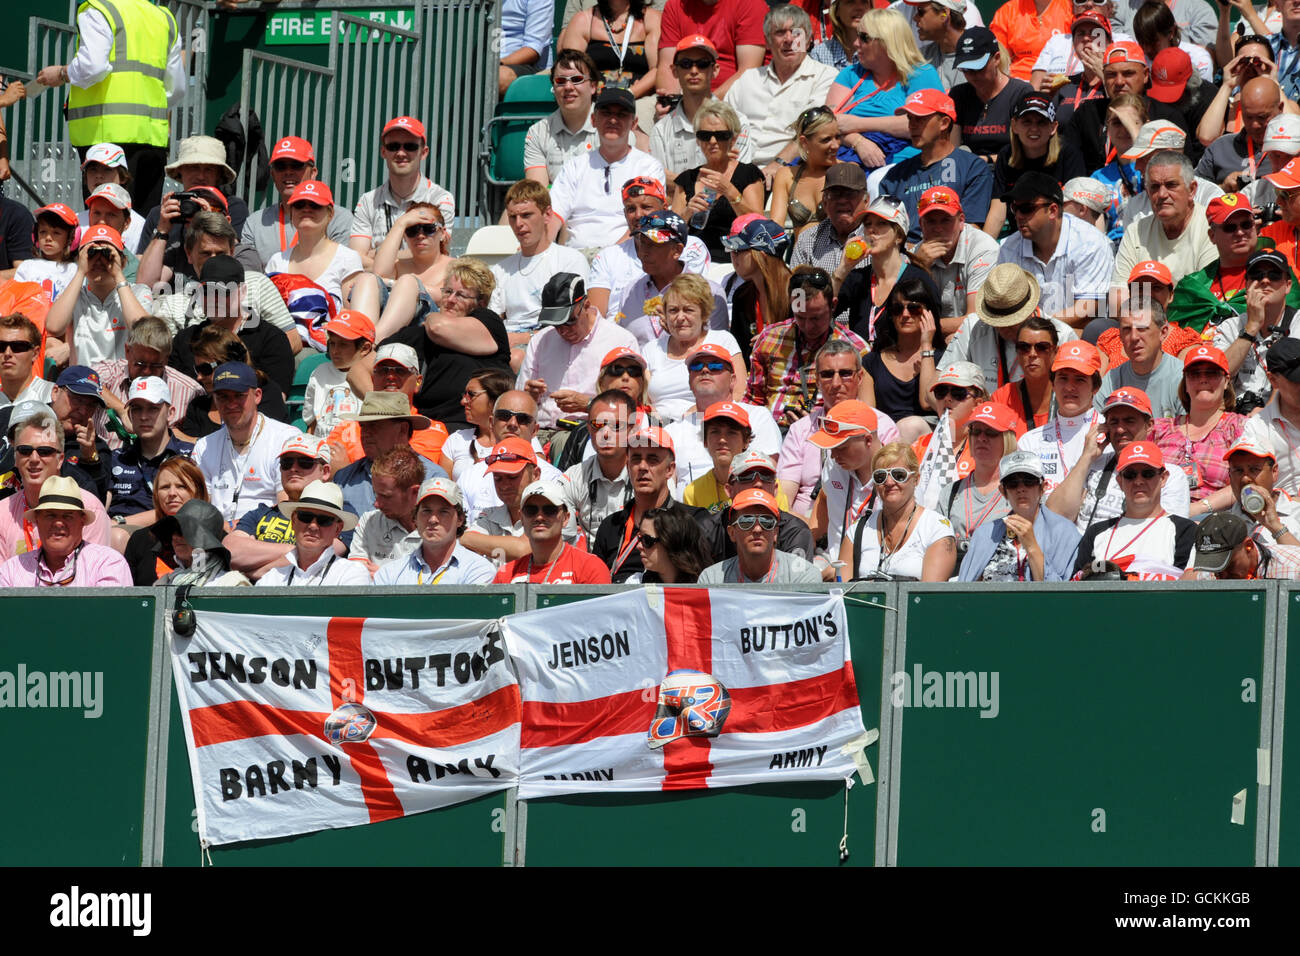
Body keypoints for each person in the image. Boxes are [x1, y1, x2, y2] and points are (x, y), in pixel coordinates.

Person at [35, 0, 185, 212]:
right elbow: (177, 87)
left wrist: (61, 73)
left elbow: (93, 66)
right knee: (142, 228)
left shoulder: (98, 9)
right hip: (153, 140)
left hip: (106, 141)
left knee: (105, 225)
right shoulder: (164, 18)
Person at [371, 260, 513, 430]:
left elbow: (438, 327)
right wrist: (384, 408)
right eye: (447, 292)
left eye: (461, 295)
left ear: (480, 302)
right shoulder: (417, 335)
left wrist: (430, 317)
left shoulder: (489, 322)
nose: (450, 300)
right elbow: (361, 363)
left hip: (473, 427)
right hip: (422, 427)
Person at [778, 340, 901, 518]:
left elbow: (889, 488)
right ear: (818, 380)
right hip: (805, 526)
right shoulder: (800, 429)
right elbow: (783, 499)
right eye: (827, 374)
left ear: (859, 378)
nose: (836, 383)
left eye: (845, 374)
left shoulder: (881, 425)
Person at [1048, 384, 1191, 532]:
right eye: (1114, 422)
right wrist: (1086, 457)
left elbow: (1168, 533)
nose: (1120, 429)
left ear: (1149, 426)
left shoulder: (1168, 474)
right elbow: (1054, 519)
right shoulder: (1091, 463)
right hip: (1083, 551)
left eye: (1129, 421)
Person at [148, 213, 297, 352]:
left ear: (232, 252)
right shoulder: (174, 303)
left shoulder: (257, 284)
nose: (213, 259)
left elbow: (293, 341)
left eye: (220, 253)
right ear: (189, 254)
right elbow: (164, 356)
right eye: (205, 253)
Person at [724, 5, 838, 177]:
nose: (788, 39)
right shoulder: (748, 79)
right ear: (768, 42)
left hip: (789, 172)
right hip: (737, 169)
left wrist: (777, 163)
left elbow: (812, 131)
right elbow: (722, 122)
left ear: (808, 41)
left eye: (796, 32)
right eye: (780, 33)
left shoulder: (825, 77)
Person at [746, 265, 868, 424]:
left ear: (833, 306)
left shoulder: (856, 349)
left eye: (816, 318)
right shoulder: (769, 338)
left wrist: (816, 422)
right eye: (800, 317)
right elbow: (753, 398)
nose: (808, 326)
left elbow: (860, 409)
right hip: (767, 431)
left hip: (824, 432)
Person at [518, 272, 639, 432]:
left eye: (570, 321)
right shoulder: (541, 340)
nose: (563, 330)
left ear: (586, 305)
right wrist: (530, 397)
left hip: (592, 433)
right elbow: (518, 400)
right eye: (555, 324)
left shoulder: (620, 340)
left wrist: (588, 404)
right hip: (539, 431)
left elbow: (630, 406)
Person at [550, 87, 667, 252]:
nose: (613, 120)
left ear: (634, 123)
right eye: (606, 113)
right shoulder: (574, 166)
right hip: (576, 256)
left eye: (621, 115)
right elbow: (554, 216)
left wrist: (610, 257)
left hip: (629, 254)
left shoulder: (648, 167)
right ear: (593, 120)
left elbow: (648, 220)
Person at [826, 8, 945, 169]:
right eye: (857, 36)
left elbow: (924, 125)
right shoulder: (850, 74)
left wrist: (857, 123)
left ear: (887, 42)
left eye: (864, 38)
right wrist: (858, 142)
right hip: (847, 162)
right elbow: (827, 125)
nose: (855, 43)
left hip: (905, 167)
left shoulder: (920, 74)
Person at [165, 253, 296, 400]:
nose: (214, 298)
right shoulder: (184, 341)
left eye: (222, 291)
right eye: (206, 290)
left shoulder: (271, 340)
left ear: (243, 292)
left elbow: (274, 401)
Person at [191, 361, 304, 526]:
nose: (231, 404)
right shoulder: (204, 447)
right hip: (216, 535)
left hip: (267, 534)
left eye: (239, 395)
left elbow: (287, 507)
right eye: (223, 397)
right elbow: (199, 507)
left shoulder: (285, 438)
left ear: (257, 395)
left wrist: (241, 528)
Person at [1167, 194, 1298, 335]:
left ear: (1255, 227)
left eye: (1246, 224)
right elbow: (1173, 338)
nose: (1240, 232)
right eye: (1230, 227)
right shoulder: (1192, 287)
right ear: (1212, 236)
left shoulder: (1278, 275)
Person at [587, 176, 711, 321]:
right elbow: (595, 319)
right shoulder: (608, 257)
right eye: (631, 209)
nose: (638, 215)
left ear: (665, 208)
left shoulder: (692, 246)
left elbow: (694, 301)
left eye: (646, 207)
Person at [593, 425, 708, 580]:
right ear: (627, 467)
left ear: (670, 469)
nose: (642, 467)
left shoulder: (694, 520)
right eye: (636, 459)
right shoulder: (611, 526)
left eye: (652, 459)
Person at [879, 90, 994, 245]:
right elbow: (883, 232)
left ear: (944, 123)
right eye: (910, 118)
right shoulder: (895, 175)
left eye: (919, 119)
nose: (912, 125)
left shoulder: (973, 167)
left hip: (953, 259)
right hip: (903, 260)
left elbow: (970, 230)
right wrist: (913, 254)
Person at [944, 263, 1078, 394]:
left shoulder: (1063, 335)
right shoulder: (972, 326)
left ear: (1029, 309)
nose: (1003, 327)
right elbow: (933, 393)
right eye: (996, 320)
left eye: (1011, 320)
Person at [489, 180, 590, 351]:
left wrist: (522, 338)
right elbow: (492, 320)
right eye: (513, 217)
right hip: (507, 343)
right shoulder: (500, 269)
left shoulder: (570, 260)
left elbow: (575, 317)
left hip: (554, 341)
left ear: (547, 215)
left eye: (526, 215)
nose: (519, 224)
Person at [649, 35, 757, 196]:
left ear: (715, 70)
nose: (694, 71)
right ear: (674, 71)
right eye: (686, 64)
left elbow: (740, 180)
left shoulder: (738, 122)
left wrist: (679, 181)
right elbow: (659, 182)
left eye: (702, 64)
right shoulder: (661, 129)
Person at [264, 181, 364, 353]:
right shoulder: (277, 261)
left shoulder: (347, 258)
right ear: (291, 212)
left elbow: (351, 316)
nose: (306, 209)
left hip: (328, 351)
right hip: (280, 347)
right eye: (299, 204)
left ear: (330, 213)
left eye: (315, 205)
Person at [1149, 344, 1247, 517]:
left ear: (1226, 381)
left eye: (1212, 373)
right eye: (1195, 374)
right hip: (1156, 517)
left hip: (1214, 520)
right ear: (1185, 383)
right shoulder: (1159, 428)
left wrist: (1196, 509)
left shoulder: (1238, 427)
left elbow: (1246, 483)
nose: (1203, 379)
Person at [223, 433, 337, 581]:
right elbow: (230, 551)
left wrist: (253, 567)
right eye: (286, 463)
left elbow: (321, 557)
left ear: (325, 471)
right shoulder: (260, 513)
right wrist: (298, 551)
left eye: (305, 462)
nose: (293, 468)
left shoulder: (334, 515)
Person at [665, 341, 783, 484]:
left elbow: (766, 476)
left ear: (733, 380)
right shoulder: (672, 431)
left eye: (715, 366)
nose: (705, 370)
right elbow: (666, 487)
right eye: (697, 366)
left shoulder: (757, 417)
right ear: (690, 381)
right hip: (688, 503)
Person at [0, 403, 111, 555]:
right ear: (15, 455)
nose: (34, 458)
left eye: (44, 451)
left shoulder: (89, 508)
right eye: (25, 450)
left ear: (60, 459)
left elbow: (94, 572)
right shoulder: (3, 511)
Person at [1074, 440, 1198, 576]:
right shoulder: (1096, 532)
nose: (1138, 481)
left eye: (1148, 474)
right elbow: (1078, 586)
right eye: (1130, 475)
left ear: (1163, 478)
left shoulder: (1185, 530)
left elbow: (1185, 589)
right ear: (1120, 481)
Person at [349, 116, 456, 272]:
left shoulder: (440, 198)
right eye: (393, 146)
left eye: (410, 146)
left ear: (424, 152)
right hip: (378, 283)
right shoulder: (368, 200)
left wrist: (379, 254)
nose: (401, 153)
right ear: (383, 151)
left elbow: (435, 253)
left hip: (424, 285)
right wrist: (406, 259)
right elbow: (356, 258)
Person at [837, 441, 957, 580]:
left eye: (899, 475)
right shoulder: (858, 530)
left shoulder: (936, 528)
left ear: (916, 479)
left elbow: (929, 595)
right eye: (880, 476)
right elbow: (842, 593)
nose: (889, 482)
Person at [958, 448, 1081, 580]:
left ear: (1043, 487)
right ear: (1003, 491)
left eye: (1029, 481)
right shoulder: (985, 534)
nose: (1021, 489)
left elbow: (1061, 594)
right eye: (1012, 483)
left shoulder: (1064, 532)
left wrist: (1032, 547)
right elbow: (965, 588)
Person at [835, 197, 940, 346]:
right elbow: (820, 314)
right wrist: (842, 269)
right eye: (868, 224)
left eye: (882, 223)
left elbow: (932, 336)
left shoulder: (919, 281)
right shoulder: (857, 278)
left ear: (898, 236)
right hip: (861, 365)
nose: (872, 230)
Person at [615, 211, 728, 346]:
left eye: (652, 245)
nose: (643, 252)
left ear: (677, 250)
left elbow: (719, 348)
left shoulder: (710, 293)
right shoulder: (630, 292)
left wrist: (678, 338)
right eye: (642, 243)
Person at [1111, 150, 1216, 294]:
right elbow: (1118, 294)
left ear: (1191, 190)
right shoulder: (1136, 231)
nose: (1162, 194)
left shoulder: (1213, 228)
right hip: (1140, 314)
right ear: (1147, 192)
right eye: (1154, 187)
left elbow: (1205, 298)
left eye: (1171, 185)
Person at [983, 92, 1087, 238]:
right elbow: (998, 211)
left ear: (1053, 127)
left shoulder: (1069, 154)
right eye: (1027, 121)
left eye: (1041, 122)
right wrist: (983, 252)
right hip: (1019, 235)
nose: (1034, 129)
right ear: (1014, 125)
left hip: (1058, 235)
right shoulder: (1006, 155)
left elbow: (1076, 210)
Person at [44, 224, 150, 367]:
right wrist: (81, 271)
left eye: (107, 254)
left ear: (123, 261)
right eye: (92, 254)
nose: (99, 261)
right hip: (81, 383)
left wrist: (118, 274)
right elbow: (53, 326)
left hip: (121, 383)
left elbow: (144, 332)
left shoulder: (139, 292)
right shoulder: (74, 296)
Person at [670, 101, 765, 258]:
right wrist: (688, 212)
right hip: (693, 261)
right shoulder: (687, 179)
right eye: (705, 136)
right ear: (698, 140)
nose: (713, 141)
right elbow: (671, 233)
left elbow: (759, 226)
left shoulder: (748, 174)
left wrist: (730, 192)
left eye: (721, 136)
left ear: (733, 139)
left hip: (735, 261)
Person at [643, 273, 743, 421]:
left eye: (688, 310)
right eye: (673, 310)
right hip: (659, 427)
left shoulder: (722, 340)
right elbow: (644, 399)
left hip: (710, 422)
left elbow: (739, 392)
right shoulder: (652, 349)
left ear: (703, 314)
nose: (680, 317)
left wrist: (701, 411)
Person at [0, 475, 130, 586]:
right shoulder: (11, 569)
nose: (58, 523)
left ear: (82, 521)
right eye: (50, 515)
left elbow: (110, 614)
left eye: (68, 516)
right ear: (37, 520)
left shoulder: (107, 564)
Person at [332, 391, 446, 519]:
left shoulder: (433, 478)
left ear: (403, 429)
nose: (365, 433)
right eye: (362, 426)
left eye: (374, 425)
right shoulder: (344, 477)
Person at [908, 187, 1001, 343]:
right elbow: (904, 311)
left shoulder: (983, 247)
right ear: (921, 225)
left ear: (961, 221)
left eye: (946, 220)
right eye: (931, 221)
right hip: (931, 337)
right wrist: (919, 268)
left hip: (979, 336)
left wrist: (919, 326)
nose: (938, 228)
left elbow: (976, 318)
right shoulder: (918, 253)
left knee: (953, 340)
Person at [354, 203, 455, 345]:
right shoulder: (398, 265)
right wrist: (400, 224)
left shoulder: (455, 267)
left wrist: (394, 283)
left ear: (442, 233)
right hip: (388, 326)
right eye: (412, 230)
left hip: (423, 330)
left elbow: (442, 295)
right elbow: (379, 273)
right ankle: (359, 338)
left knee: (408, 282)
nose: (420, 235)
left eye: (428, 229)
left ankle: (370, 342)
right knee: (366, 278)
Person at [457, 391, 566, 522]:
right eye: (504, 416)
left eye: (523, 419)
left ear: (535, 430)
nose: (513, 423)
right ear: (491, 423)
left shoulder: (554, 479)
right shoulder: (469, 477)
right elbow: (461, 533)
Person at [137, 135, 251, 259]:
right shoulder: (160, 213)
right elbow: (141, 269)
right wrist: (162, 231)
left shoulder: (231, 207)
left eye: (209, 169)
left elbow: (235, 257)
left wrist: (211, 224)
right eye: (194, 168)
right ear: (180, 170)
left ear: (219, 174)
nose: (201, 176)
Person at [242, 136, 353, 262]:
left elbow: (339, 267)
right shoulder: (255, 223)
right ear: (272, 174)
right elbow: (249, 273)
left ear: (313, 173)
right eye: (280, 166)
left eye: (296, 165)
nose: (288, 172)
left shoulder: (338, 218)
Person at [861, 277, 943, 442]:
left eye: (914, 308)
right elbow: (868, 415)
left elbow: (927, 402)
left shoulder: (943, 358)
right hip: (885, 439)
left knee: (909, 426)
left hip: (927, 440)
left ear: (929, 314)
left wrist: (926, 346)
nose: (905, 314)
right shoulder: (871, 361)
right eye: (898, 308)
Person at [372, 477, 497, 585]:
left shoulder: (478, 569)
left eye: (443, 512)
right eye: (426, 511)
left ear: (460, 519)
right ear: (415, 518)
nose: (433, 519)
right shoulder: (389, 573)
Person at [1018, 338, 1103, 495]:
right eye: (1063, 378)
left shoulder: (1111, 435)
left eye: (1080, 379)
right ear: (1053, 384)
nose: (1070, 387)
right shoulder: (1030, 441)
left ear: (1095, 387)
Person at [106, 375, 193, 526]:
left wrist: (120, 522)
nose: (144, 417)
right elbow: (100, 509)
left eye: (153, 408)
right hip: (116, 539)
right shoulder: (115, 459)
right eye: (137, 409)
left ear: (171, 413)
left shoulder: (191, 456)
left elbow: (193, 508)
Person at [935, 400, 1019, 552]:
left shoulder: (1022, 490)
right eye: (975, 431)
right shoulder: (950, 492)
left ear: (1007, 439)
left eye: (991, 432)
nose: (981, 438)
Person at [697, 447, 813, 557]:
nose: (758, 483)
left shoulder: (794, 531)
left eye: (766, 477)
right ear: (729, 490)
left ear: (775, 489)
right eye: (746, 476)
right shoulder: (706, 530)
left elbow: (796, 578)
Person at [493, 479, 613, 583]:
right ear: (522, 518)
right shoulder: (506, 574)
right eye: (531, 510)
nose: (539, 517)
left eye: (549, 510)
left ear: (565, 518)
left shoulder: (590, 568)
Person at [255, 480, 371, 586]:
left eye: (324, 520)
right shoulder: (272, 577)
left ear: (338, 529)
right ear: (294, 521)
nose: (313, 526)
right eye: (306, 517)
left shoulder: (352, 573)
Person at [697, 487, 820, 583]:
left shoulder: (803, 575)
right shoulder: (711, 579)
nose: (757, 529)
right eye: (746, 521)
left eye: (766, 522)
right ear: (732, 533)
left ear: (775, 532)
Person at [950, 27, 1033, 164]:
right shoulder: (959, 95)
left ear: (997, 58)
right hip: (971, 173)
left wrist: (985, 160)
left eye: (978, 68)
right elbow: (953, 150)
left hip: (1010, 170)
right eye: (965, 69)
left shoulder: (1021, 93)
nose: (972, 75)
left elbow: (1028, 150)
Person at [524, 51, 604, 188]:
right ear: (554, 89)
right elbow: (538, 195)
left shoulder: (613, 128)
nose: (568, 87)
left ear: (593, 87)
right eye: (560, 81)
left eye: (577, 79)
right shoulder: (538, 132)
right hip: (554, 207)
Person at [656, 0, 768, 97]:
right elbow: (667, 67)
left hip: (733, 100)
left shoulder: (750, 4)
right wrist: (671, 103)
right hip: (685, 100)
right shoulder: (675, 6)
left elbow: (748, 73)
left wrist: (706, 106)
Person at [563, 389, 635, 539]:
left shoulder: (650, 476)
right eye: (597, 424)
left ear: (631, 429)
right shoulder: (574, 477)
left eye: (616, 425)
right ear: (589, 428)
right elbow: (561, 537)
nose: (606, 433)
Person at [1095, 302, 1183, 417]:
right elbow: (1097, 426)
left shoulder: (1182, 378)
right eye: (1127, 329)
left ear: (1163, 332)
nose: (1134, 337)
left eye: (1142, 328)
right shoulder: (1111, 380)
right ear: (1120, 336)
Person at [1196, 75, 1284, 190]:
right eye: (1248, 117)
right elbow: (1194, 194)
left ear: (1280, 108)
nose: (1255, 125)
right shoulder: (1220, 148)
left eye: (1262, 117)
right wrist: (1222, 188)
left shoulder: (1294, 149)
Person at [722, 216, 792, 358]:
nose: (732, 256)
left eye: (738, 250)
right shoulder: (742, 295)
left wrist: (773, 340)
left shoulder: (799, 291)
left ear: (762, 255)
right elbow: (738, 351)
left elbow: (809, 338)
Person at [349, 445, 425, 572]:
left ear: (414, 492)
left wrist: (383, 575)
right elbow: (357, 576)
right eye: (375, 493)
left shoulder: (438, 528)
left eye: (386, 496)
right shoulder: (369, 521)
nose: (377, 504)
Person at [1224, 423, 1300, 547]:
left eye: (1254, 469)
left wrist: (1276, 528)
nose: (1245, 478)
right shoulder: (1222, 523)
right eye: (1238, 471)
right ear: (1229, 475)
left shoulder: (1296, 513)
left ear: (1274, 472)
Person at [769, 109, 839, 236]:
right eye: (826, 140)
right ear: (804, 142)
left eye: (837, 137)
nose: (835, 145)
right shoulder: (786, 175)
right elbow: (775, 228)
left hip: (835, 254)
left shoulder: (845, 171)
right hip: (797, 253)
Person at [151, 498, 250, 587]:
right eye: (172, 531)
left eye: (183, 530)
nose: (175, 537)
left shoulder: (233, 584)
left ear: (206, 540)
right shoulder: (163, 583)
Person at [304, 310, 372, 438]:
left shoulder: (374, 378)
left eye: (343, 345)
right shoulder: (319, 373)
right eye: (332, 343)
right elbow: (312, 425)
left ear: (365, 348)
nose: (334, 351)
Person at [441, 367, 518, 480]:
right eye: (464, 394)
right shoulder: (456, 440)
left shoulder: (524, 439)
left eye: (471, 394)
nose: (463, 401)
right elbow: (444, 489)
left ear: (495, 399)